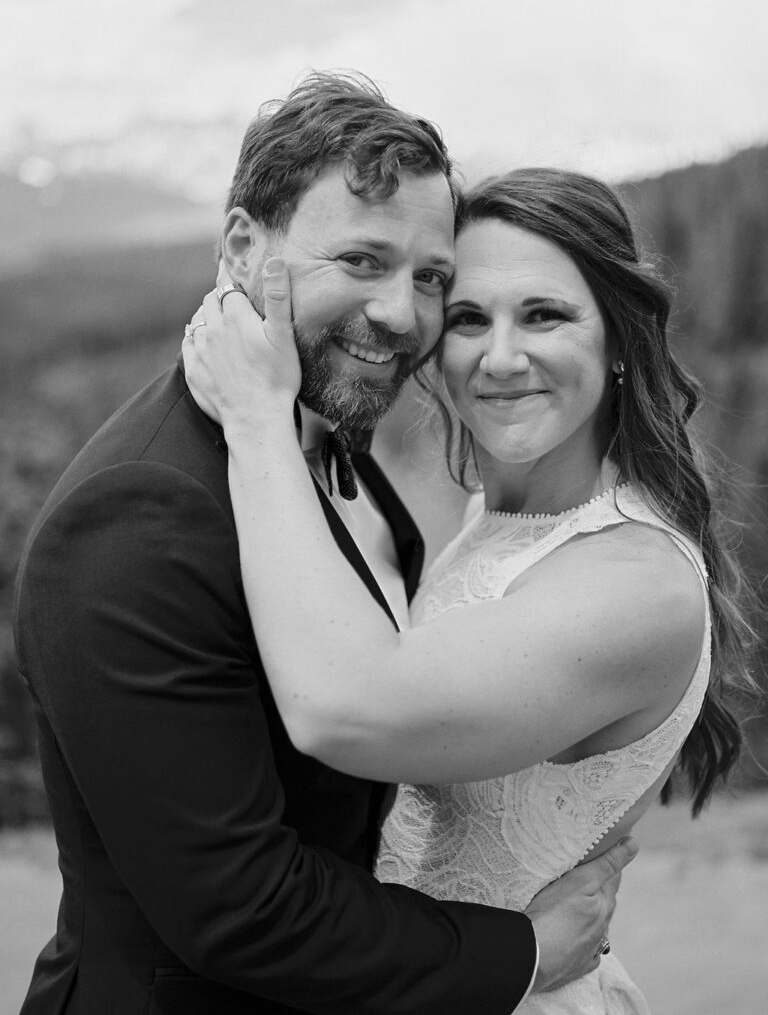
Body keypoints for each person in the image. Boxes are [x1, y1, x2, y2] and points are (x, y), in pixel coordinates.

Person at [12, 77, 633, 1015]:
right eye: (360, 259)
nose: (401, 314)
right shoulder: (140, 512)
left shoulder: (329, 446)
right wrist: (526, 954)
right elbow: (239, 906)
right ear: (242, 248)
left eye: (430, 277)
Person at [181, 166, 753, 1013]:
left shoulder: (637, 582)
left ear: (619, 341)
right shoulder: (502, 514)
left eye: (546, 315)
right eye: (467, 319)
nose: (501, 357)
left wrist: (257, 420)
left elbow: (345, 707)